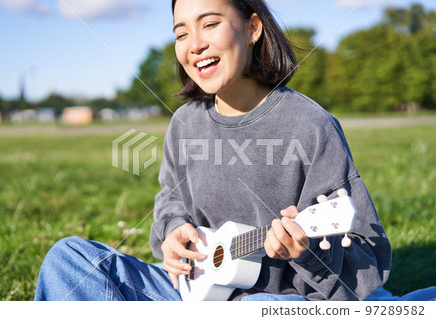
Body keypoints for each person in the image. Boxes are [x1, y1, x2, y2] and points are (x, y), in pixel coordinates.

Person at [35, 0, 392, 301]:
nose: (194, 44)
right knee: (67, 258)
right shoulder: (185, 123)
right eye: (181, 33)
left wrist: (310, 254)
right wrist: (173, 231)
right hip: (189, 292)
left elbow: (368, 262)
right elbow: (170, 203)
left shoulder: (310, 124)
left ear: (253, 28)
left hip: (274, 300)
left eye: (210, 24)